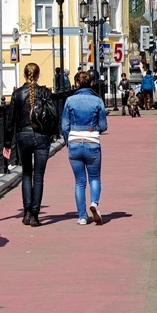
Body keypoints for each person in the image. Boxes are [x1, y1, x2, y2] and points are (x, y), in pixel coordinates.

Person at [3, 62, 57, 226]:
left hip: (23, 136)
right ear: (38, 75)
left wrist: (7, 143)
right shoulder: (45, 92)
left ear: (25, 75)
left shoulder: (18, 94)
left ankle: (26, 212)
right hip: (41, 136)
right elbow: (53, 115)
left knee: (26, 174)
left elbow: (10, 120)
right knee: (39, 177)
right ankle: (35, 214)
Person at [61, 70, 108, 225]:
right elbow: (103, 125)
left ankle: (82, 216)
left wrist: (69, 140)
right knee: (94, 177)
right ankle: (94, 203)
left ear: (76, 84)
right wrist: (93, 130)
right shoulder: (97, 100)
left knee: (79, 181)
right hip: (92, 142)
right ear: (92, 83)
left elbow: (64, 125)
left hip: (74, 142)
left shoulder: (69, 100)